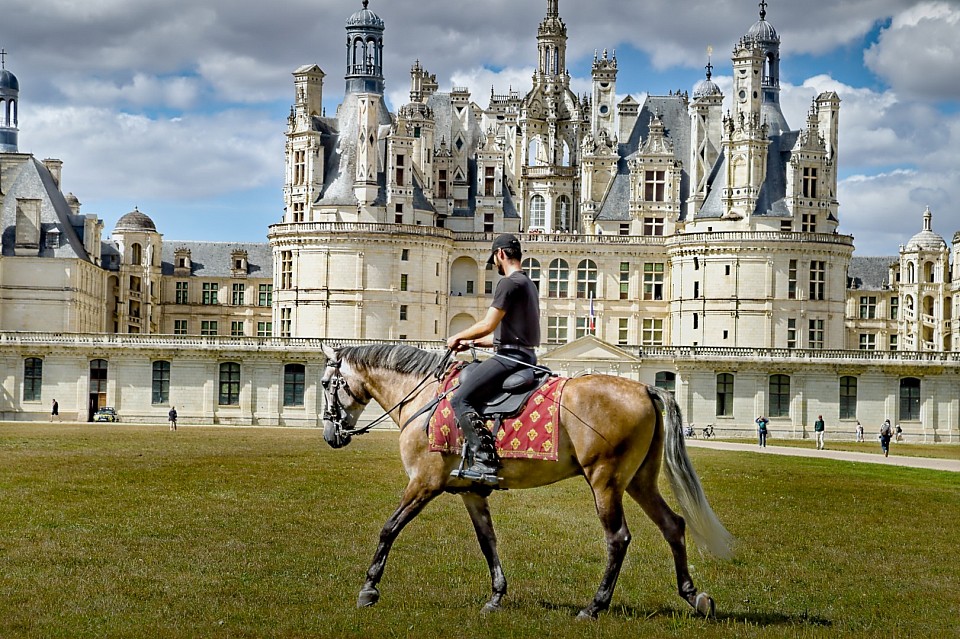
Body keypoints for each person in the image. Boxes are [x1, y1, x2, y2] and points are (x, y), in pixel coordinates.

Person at [447, 234, 540, 485]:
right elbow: (508, 335)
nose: (495, 265)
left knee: (460, 398)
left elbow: (488, 324)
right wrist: (473, 342)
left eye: (495, 260)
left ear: (500, 254)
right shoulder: (528, 283)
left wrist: (456, 336)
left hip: (510, 359)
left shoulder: (508, 284)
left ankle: (484, 462)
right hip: (525, 354)